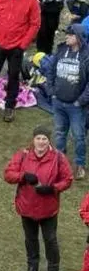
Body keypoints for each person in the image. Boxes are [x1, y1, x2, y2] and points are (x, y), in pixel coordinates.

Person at [4, 125, 73, 271]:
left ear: (49, 140)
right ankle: (32, 267)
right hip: (27, 208)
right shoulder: (23, 155)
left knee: (50, 240)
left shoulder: (58, 158)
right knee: (30, 239)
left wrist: (53, 188)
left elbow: (68, 179)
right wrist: (22, 176)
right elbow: (8, 174)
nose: (41, 142)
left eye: (44, 139)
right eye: (38, 138)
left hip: (48, 209)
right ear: (33, 139)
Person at [47, 24, 89, 179]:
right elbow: (50, 70)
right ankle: (60, 161)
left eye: (70, 35)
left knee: (78, 136)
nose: (67, 37)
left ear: (78, 37)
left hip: (76, 106)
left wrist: (81, 101)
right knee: (59, 132)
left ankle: (79, 164)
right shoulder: (60, 50)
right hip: (58, 102)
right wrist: (51, 92)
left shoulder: (86, 56)